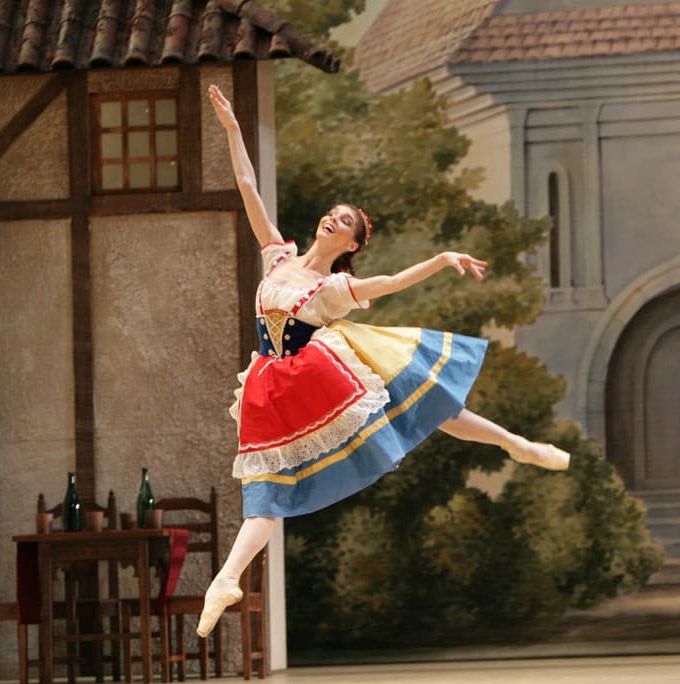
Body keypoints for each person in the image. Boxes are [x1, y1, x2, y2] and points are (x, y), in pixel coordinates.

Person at [197, 84, 571, 638]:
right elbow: (248, 187)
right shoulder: (278, 256)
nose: (332, 220)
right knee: (267, 487)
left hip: (314, 375)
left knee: (426, 403)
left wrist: (441, 258)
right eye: (331, 214)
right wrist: (232, 128)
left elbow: (392, 281)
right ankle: (227, 579)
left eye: (344, 221)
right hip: (267, 386)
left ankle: (516, 444)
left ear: (351, 244)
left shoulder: (334, 287)